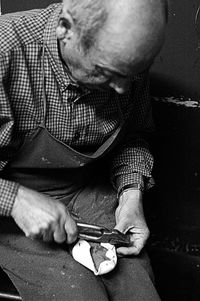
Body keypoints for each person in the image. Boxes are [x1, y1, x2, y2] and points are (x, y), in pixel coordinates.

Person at [0, 0, 167, 300]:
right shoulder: (6, 49)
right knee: (78, 293)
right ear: (66, 29)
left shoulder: (125, 62)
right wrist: (16, 201)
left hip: (86, 190)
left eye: (133, 73)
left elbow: (134, 136)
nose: (122, 88)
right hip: (8, 210)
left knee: (138, 292)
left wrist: (131, 197)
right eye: (107, 72)